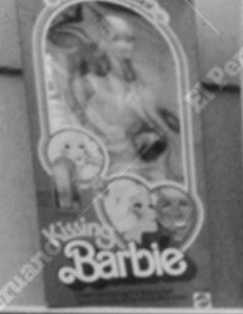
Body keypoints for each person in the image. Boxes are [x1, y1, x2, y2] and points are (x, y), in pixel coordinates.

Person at [66, 8, 180, 183]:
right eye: (117, 39)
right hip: (117, 164)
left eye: (129, 40)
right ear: (103, 42)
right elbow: (82, 123)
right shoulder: (89, 83)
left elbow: (157, 123)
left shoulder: (138, 83)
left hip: (151, 159)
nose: (126, 45)